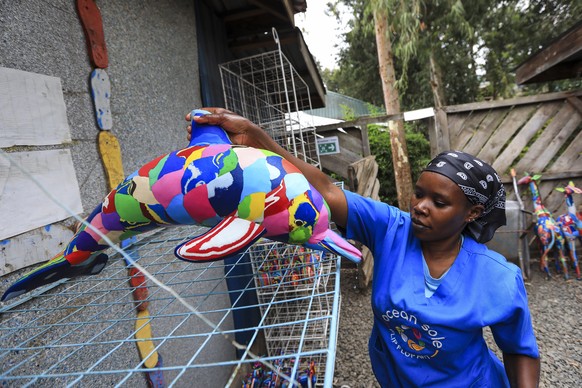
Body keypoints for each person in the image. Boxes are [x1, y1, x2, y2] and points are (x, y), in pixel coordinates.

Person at [186, 108, 541, 387]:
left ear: (472, 213)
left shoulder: (498, 278)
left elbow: (519, 351)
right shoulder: (391, 229)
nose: (419, 205)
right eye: (419, 193)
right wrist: (255, 137)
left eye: (439, 201)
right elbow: (326, 190)